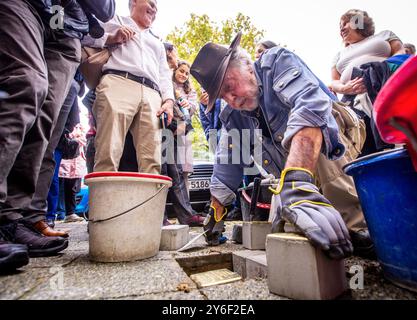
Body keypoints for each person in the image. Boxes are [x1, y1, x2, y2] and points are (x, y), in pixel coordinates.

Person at [190, 32, 374, 260]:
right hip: (296, 153)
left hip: (341, 130)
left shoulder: (276, 61)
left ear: (247, 65)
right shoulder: (232, 115)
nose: (232, 99)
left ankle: (358, 227)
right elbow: (227, 161)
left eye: (229, 86)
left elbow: (311, 105)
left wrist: (297, 184)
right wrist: (216, 211)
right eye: (223, 96)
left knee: (315, 120)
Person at [0, 0, 115, 271]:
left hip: (66, 28)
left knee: (45, 124)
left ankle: (15, 220)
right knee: (26, 83)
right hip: (27, 6)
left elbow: (105, 8)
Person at [92, 0, 174, 174]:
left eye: (156, 7)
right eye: (150, 3)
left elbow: (164, 74)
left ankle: (149, 202)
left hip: (152, 94)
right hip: (118, 82)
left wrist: (168, 101)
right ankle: (104, 201)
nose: (154, 8)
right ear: (134, 2)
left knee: (152, 158)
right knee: (108, 151)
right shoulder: (115, 20)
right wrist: (111, 38)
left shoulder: (157, 41)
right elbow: (87, 35)